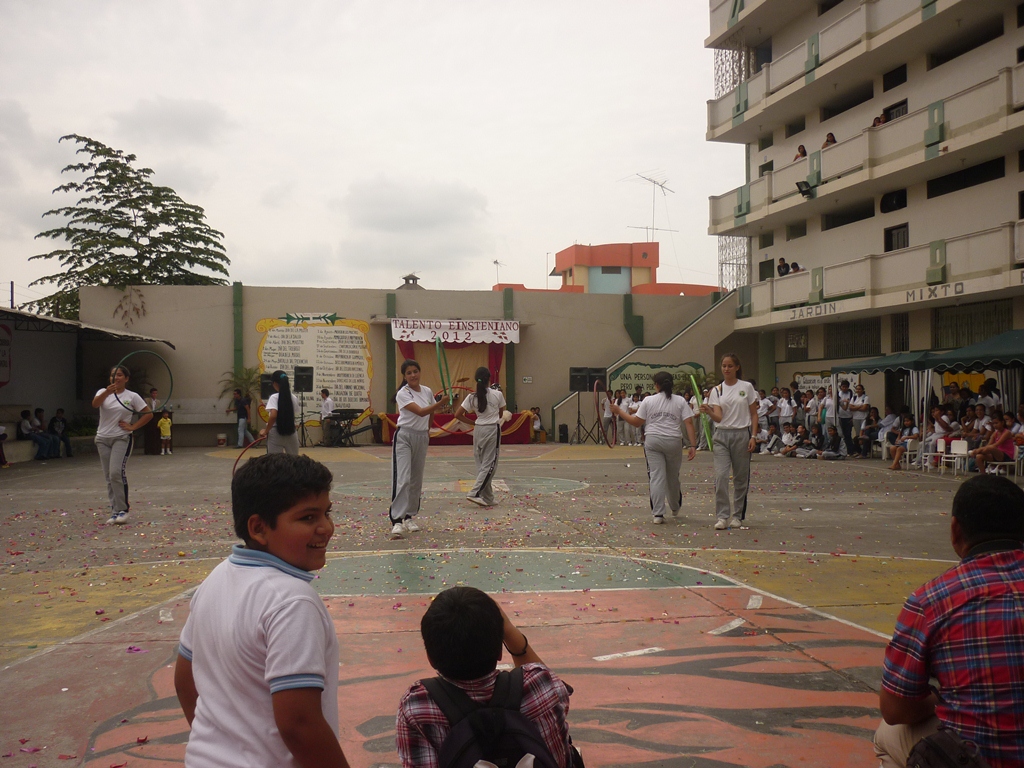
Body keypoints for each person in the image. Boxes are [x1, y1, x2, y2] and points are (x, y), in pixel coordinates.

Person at [174, 453, 351, 768]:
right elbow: (299, 724)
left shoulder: (216, 578)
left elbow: (185, 681)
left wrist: (220, 746)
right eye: (308, 518)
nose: (326, 528)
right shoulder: (291, 601)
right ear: (258, 528)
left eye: (327, 513)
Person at [873, 475, 1024, 767]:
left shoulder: (933, 600)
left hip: (975, 757)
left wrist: (941, 699)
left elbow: (895, 710)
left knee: (886, 735)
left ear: (955, 530)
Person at [396, 586, 576, 768]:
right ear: (499, 652)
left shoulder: (417, 707)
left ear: (431, 659)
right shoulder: (542, 684)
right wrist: (508, 631)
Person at [611, 371, 697, 525]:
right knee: (672, 476)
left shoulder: (648, 400)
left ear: (656, 385)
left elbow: (636, 422)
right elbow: (688, 422)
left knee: (656, 476)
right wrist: (693, 444)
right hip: (673, 440)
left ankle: (658, 513)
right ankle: (675, 506)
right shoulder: (680, 401)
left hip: (653, 440)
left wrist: (619, 412)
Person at [389, 359, 449, 540]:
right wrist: (441, 402)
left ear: (420, 372)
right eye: (409, 373)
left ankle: (409, 516)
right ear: (404, 376)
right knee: (403, 478)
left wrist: (427, 431)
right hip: (405, 436)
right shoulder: (403, 393)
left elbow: (430, 414)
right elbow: (421, 411)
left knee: (416, 479)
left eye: (415, 371)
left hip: (421, 437)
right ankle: (397, 520)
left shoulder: (427, 391)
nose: (413, 375)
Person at [702, 353, 758, 530]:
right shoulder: (717, 390)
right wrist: (709, 411)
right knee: (721, 476)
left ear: (737, 367)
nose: (726, 369)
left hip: (742, 434)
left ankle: (738, 516)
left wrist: (753, 436)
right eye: (724, 366)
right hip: (721, 436)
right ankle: (722, 516)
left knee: (741, 478)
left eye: (730, 366)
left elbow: (754, 413)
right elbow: (718, 417)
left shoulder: (746, 387)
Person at [92, 365, 153, 525]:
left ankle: (123, 510)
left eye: (119, 375)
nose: (116, 378)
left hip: (121, 438)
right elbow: (95, 404)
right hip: (102, 439)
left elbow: (148, 414)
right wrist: (106, 392)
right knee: (108, 477)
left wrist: (133, 427)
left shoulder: (132, 396)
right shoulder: (103, 392)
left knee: (116, 473)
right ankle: (115, 511)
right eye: (113, 375)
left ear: (126, 378)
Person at [454, 367, 506, 508]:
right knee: (490, 465)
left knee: (482, 464)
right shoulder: (497, 394)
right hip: (491, 429)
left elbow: (457, 414)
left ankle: (488, 497)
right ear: (489, 379)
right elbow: (501, 414)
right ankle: (474, 493)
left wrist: (474, 422)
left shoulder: (471, 397)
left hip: (478, 430)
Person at [260, 370, 300, 456]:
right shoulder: (294, 398)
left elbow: (273, 416)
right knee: (294, 460)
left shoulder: (274, 397)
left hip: (275, 432)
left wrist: (266, 431)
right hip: (291, 431)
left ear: (275, 383)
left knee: (275, 461)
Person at [144, 387, 162, 455]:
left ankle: (156, 449)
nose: (154, 395)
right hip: (149, 417)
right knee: (149, 434)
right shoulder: (147, 400)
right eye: (153, 393)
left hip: (156, 417)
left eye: (156, 393)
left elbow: (159, 409)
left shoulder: (158, 401)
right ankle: (148, 450)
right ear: (151, 394)